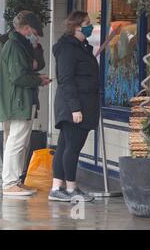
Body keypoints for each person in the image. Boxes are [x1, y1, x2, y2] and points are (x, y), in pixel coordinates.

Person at [0, 11, 51, 196]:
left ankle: (15, 181)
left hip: (15, 100)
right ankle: (10, 182)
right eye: (33, 31)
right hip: (18, 101)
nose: (34, 35)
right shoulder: (15, 46)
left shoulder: (16, 44)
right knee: (16, 142)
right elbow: (18, 76)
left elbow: (23, 71)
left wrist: (35, 76)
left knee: (17, 141)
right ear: (26, 28)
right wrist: (38, 80)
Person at [49, 11, 98, 202]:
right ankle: (71, 188)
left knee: (64, 146)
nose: (90, 25)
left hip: (78, 104)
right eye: (87, 23)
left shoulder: (81, 47)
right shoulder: (68, 49)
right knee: (73, 147)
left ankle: (56, 188)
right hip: (74, 106)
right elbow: (66, 80)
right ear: (77, 26)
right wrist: (75, 108)